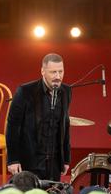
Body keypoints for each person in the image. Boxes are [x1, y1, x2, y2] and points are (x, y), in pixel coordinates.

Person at [6, 53, 71, 181]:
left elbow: (65, 125)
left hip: (54, 161)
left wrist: (66, 158)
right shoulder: (25, 92)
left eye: (61, 71)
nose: (58, 76)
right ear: (43, 71)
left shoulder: (66, 91)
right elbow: (13, 126)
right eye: (53, 72)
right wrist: (13, 159)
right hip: (30, 160)